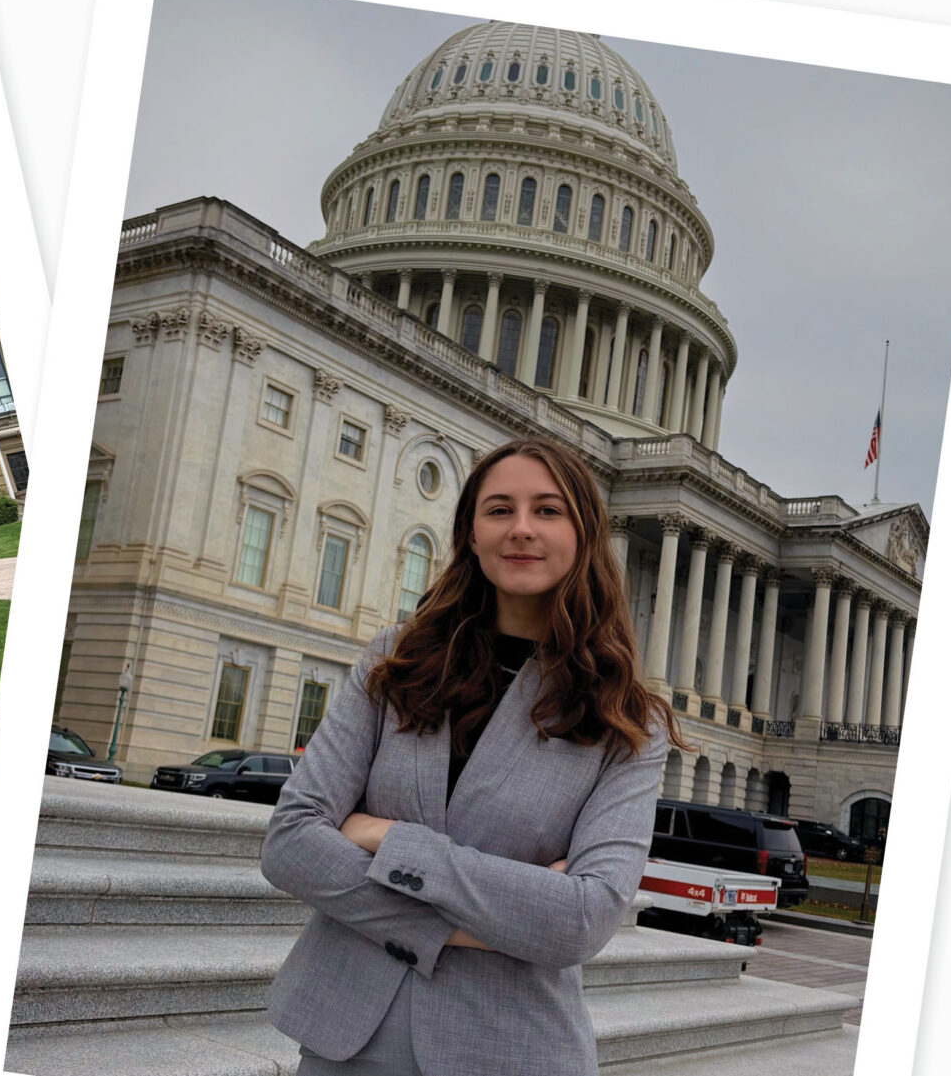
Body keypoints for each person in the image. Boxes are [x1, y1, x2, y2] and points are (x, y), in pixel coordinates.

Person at [257, 435, 681, 1076]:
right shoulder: (395, 660)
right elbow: (290, 842)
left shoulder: (626, 720)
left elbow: (582, 920)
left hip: (511, 1046)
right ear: (471, 532)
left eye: (547, 510)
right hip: (348, 1034)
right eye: (499, 509)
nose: (521, 529)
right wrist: (495, 918)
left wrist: (387, 837)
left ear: (583, 533)